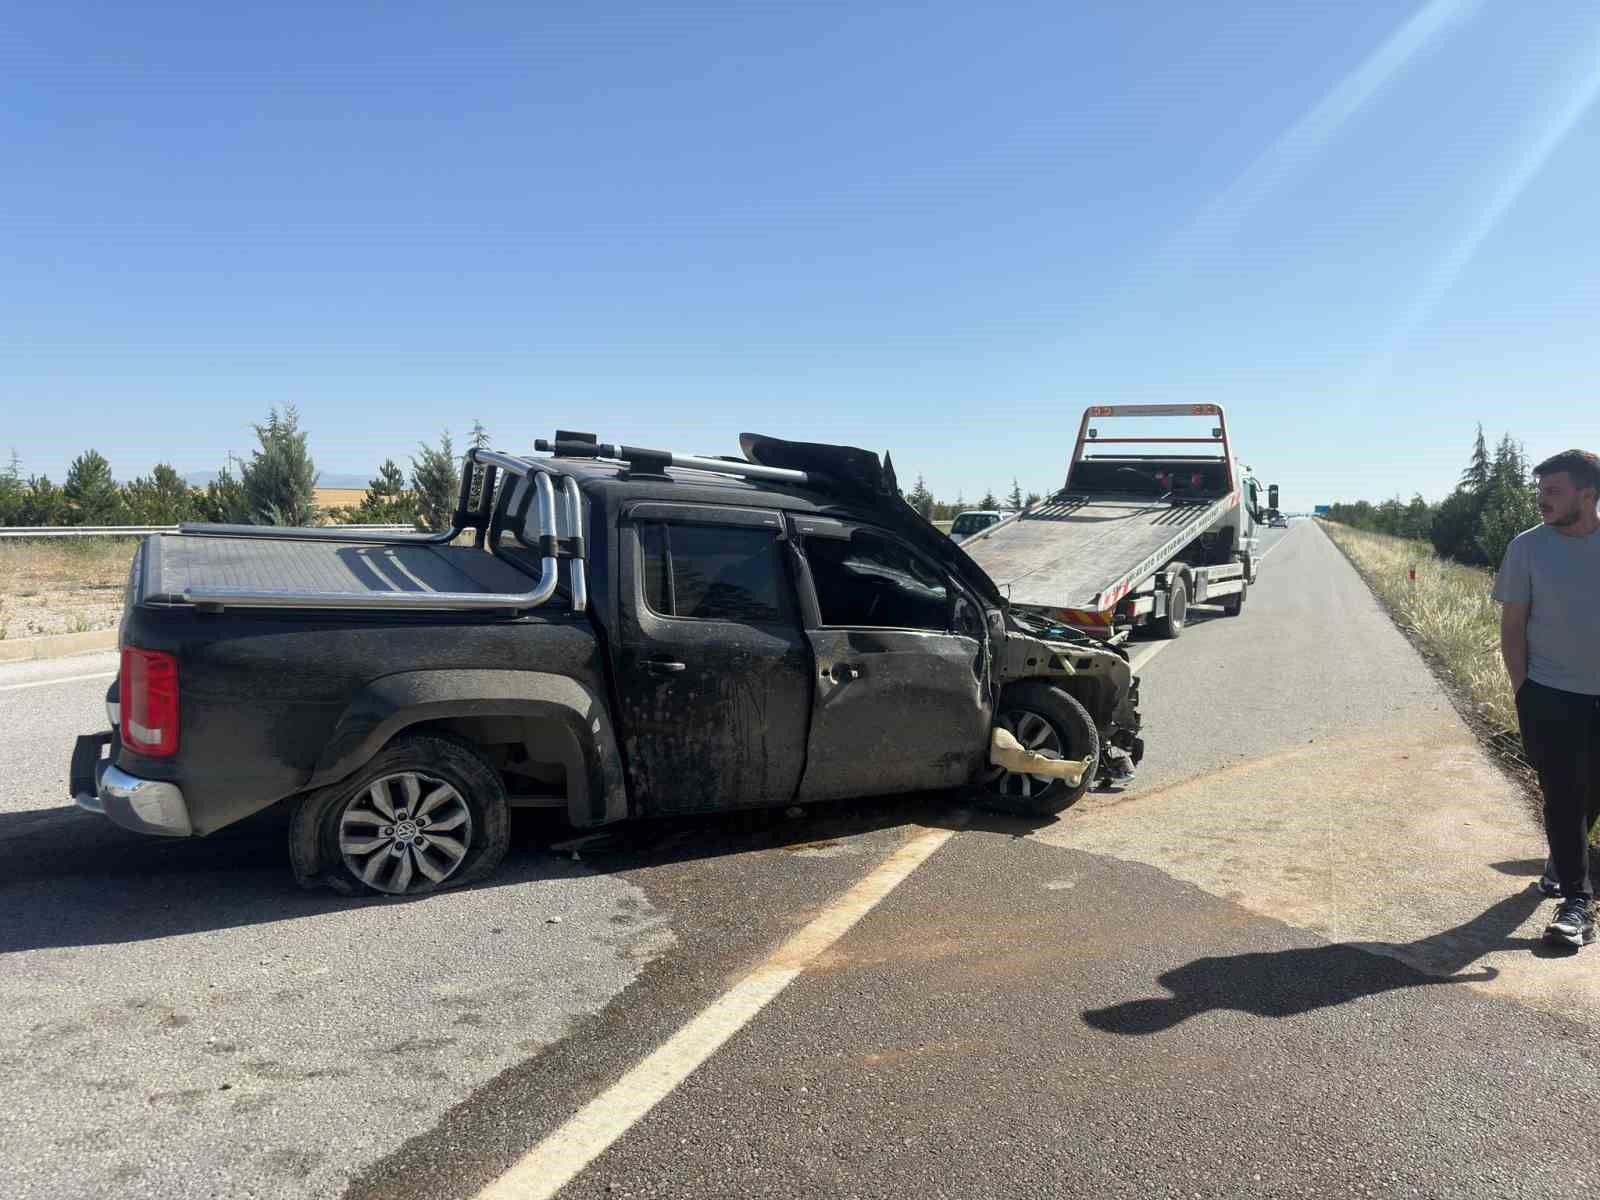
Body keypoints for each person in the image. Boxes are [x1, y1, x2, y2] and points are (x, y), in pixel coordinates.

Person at [1494, 449, 1600, 949]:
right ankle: (1577, 903)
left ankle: (1564, 862)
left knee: (1590, 794)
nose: (1542, 500)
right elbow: (1512, 626)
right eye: (1539, 491)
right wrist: (1524, 692)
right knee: (1561, 795)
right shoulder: (1527, 548)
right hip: (1551, 694)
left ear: (1588, 494)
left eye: (1552, 491)